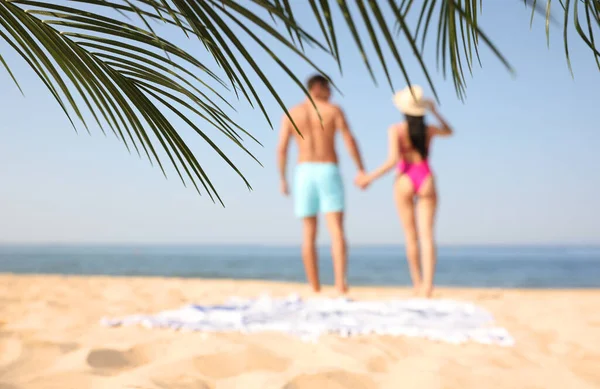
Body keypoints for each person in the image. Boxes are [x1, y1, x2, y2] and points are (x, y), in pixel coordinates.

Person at [355, 85, 453, 298]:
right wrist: (434, 111)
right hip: (426, 176)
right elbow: (449, 131)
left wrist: (368, 178)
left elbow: (392, 161)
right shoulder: (429, 130)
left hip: (404, 178)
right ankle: (428, 286)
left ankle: (417, 283)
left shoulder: (396, 130)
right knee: (427, 236)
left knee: (411, 236)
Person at [277, 74, 366, 294]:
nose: (332, 93)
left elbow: (282, 148)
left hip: (303, 171)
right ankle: (339, 285)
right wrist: (360, 168)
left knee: (308, 231)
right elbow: (349, 139)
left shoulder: (292, 113)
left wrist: (283, 178)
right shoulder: (332, 110)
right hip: (327, 169)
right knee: (336, 229)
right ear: (318, 88)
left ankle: (315, 287)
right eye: (328, 88)